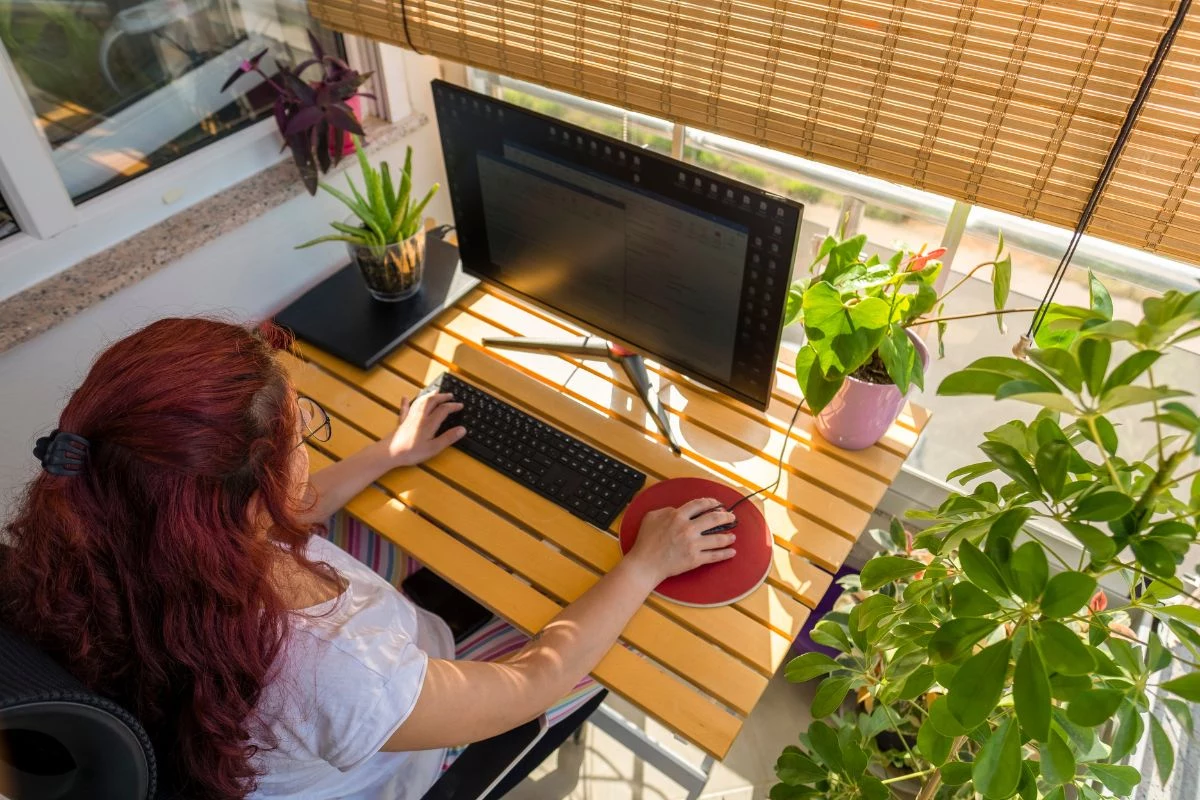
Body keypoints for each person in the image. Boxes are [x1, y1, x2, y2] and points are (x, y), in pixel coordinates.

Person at [0, 317, 737, 800]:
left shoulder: (96, 531)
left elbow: (285, 508)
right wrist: (643, 565)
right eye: (299, 434)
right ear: (249, 496)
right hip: (392, 753)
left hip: (275, 718)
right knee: (609, 661)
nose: (310, 445)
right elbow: (533, 681)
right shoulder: (334, 669)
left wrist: (390, 453)